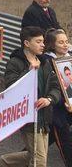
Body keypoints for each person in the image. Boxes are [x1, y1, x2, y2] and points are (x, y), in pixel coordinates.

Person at [0, 27, 61, 167]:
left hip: (44, 116)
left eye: (43, 42)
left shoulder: (45, 62)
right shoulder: (15, 62)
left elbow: (55, 86)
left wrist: (49, 99)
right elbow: (11, 88)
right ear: (27, 43)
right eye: (38, 41)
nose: (43, 45)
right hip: (27, 117)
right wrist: (29, 72)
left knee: (35, 155)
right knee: (39, 161)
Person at [43, 28, 72, 167]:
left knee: (47, 140)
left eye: (66, 41)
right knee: (66, 143)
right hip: (56, 110)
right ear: (52, 44)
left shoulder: (69, 57)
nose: (65, 45)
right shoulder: (47, 62)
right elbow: (49, 90)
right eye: (61, 42)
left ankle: (12, 161)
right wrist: (64, 101)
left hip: (69, 107)